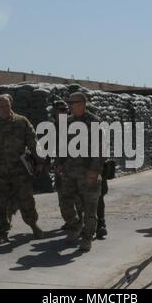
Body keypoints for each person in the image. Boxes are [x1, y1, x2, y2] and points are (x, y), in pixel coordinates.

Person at [0, 94, 45, 245]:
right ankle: (2, 233)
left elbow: (33, 142)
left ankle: (34, 226)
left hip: (20, 171)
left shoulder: (22, 122)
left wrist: (40, 161)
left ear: (11, 105)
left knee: (26, 201)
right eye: (1, 106)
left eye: (7, 105)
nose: (5, 108)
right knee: (1, 203)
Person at [57, 92, 105, 252]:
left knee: (89, 208)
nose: (69, 106)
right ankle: (75, 227)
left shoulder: (94, 122)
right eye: (69, 103)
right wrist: (59, 163)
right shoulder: (67, 122)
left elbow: (100, 149)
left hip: (88, 172)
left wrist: (94, 170)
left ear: (82, 104)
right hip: (69, 173)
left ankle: (87, 237)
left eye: (72, 103)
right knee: (65, 203)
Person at [51, 101, 83, 230]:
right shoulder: (54, 127)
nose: (62, 113)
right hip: (60, 166)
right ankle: (69, 220)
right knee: (62, 195)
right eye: (60, 110)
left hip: (74, 166)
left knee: (77, 196)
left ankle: (81, 221)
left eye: (64, 110)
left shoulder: (74, 125)